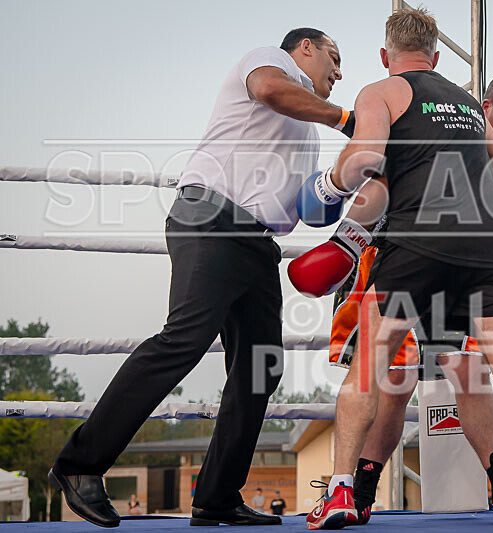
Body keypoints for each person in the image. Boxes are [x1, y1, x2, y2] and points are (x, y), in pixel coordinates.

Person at [48, 27, 354, 528]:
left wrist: (346, 177)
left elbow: (308, 207)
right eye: (333, 57)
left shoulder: (309, 130)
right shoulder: (271, 61)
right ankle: (79, 466)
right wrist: (345, 118)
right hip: (212, 219)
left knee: (261, 366)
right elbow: (269, 90)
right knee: (183, 340)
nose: (339, 72)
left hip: (257, 243)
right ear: (305, 48)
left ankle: (217, 497)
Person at [298, 8, 493, 530]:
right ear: (438, 58)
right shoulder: (469, 106)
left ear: (385, 55)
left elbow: (366, 161)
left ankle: (342, 492)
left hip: (415, 246)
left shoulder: (381, 91)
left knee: (373, 370)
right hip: (483, 250)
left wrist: (328, 188)